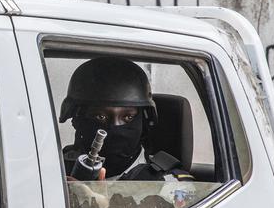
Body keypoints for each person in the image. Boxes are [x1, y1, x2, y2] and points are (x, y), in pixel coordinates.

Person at [59, 56, 193, 182]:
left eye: (128, 117)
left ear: (144, 121)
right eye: (101, 117)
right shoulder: (56, 168)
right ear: (77, 119)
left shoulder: (167, 182)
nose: (115, 126)